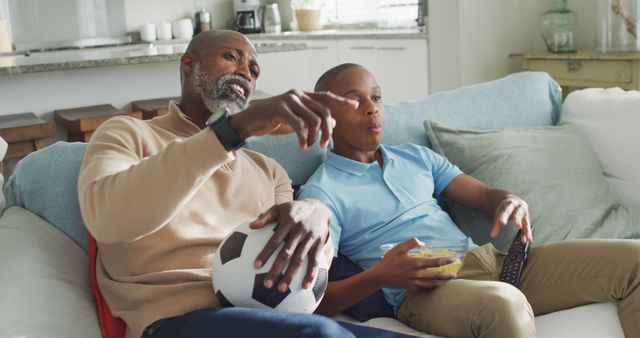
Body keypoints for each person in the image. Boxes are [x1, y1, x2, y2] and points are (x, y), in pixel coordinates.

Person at [78, 31, 416, 338]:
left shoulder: (267, 170)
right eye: (231, 57)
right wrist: (233, 130)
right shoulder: (128, 134)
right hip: (177, 320)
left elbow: (307, 277)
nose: (245, 71)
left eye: (254, 69)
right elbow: (108, 218)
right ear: (189, 64)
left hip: (269, 318)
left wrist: (317, 216)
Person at [297, 63, 640, 338]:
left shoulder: (416, 157)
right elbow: (309, 299)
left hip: (492, 262)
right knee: (504, 306)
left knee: (634, 260)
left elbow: (483, 195)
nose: (372, 109)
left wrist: (508, 200)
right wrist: (381, 277)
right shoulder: (322, 194)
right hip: (428, 294)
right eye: (356, 101)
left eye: (376, 97)